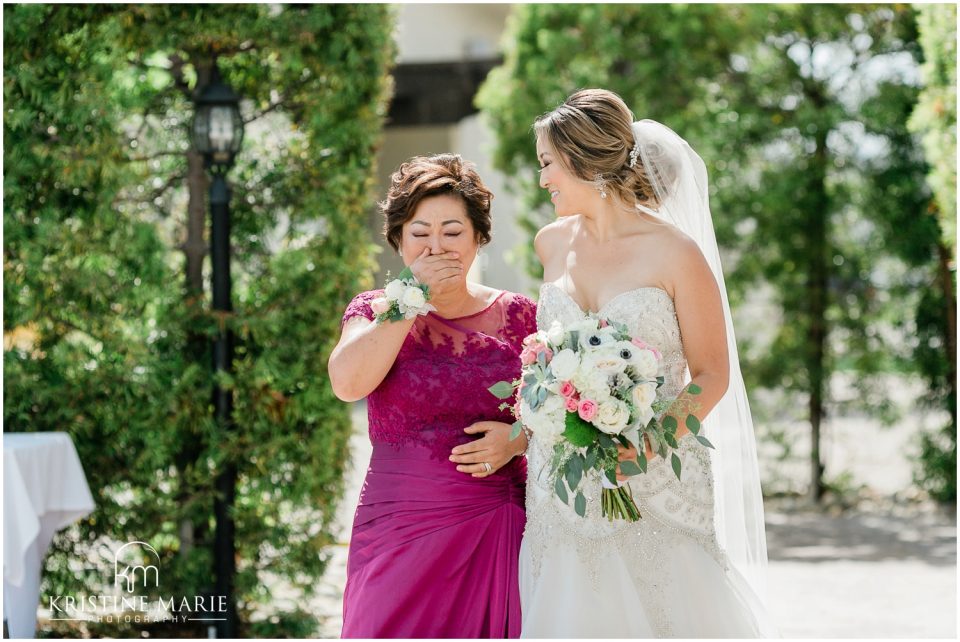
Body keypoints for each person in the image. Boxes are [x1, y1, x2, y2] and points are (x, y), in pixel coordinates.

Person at [519, 89, 776, 637]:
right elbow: (548, 353)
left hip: (654, 477)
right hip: (561, 484)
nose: (542, 180)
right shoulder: (549, 243)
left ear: (584, 159)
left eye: (547, 163)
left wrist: (650, 443)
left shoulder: (675, 252)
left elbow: (712, 373)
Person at [329, 153, 537, 638]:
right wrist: (410, 299)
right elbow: (347, 384)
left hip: (498, 524)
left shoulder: (522, 316)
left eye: (452, 232)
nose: (436, 247)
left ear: (479, 237)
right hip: (398, 527)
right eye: (420, 233)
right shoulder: (373, 311)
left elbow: (557, 414)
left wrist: (519, 439)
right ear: (399, 239)